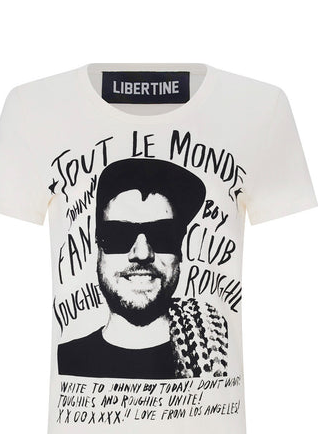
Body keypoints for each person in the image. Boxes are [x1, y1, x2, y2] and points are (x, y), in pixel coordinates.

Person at [57, 157, 228, 378]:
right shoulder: (64, 362)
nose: (142, 253)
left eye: (163, 235)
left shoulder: (219, 351)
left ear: (180, 250)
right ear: (97, 247)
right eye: (120, 235)